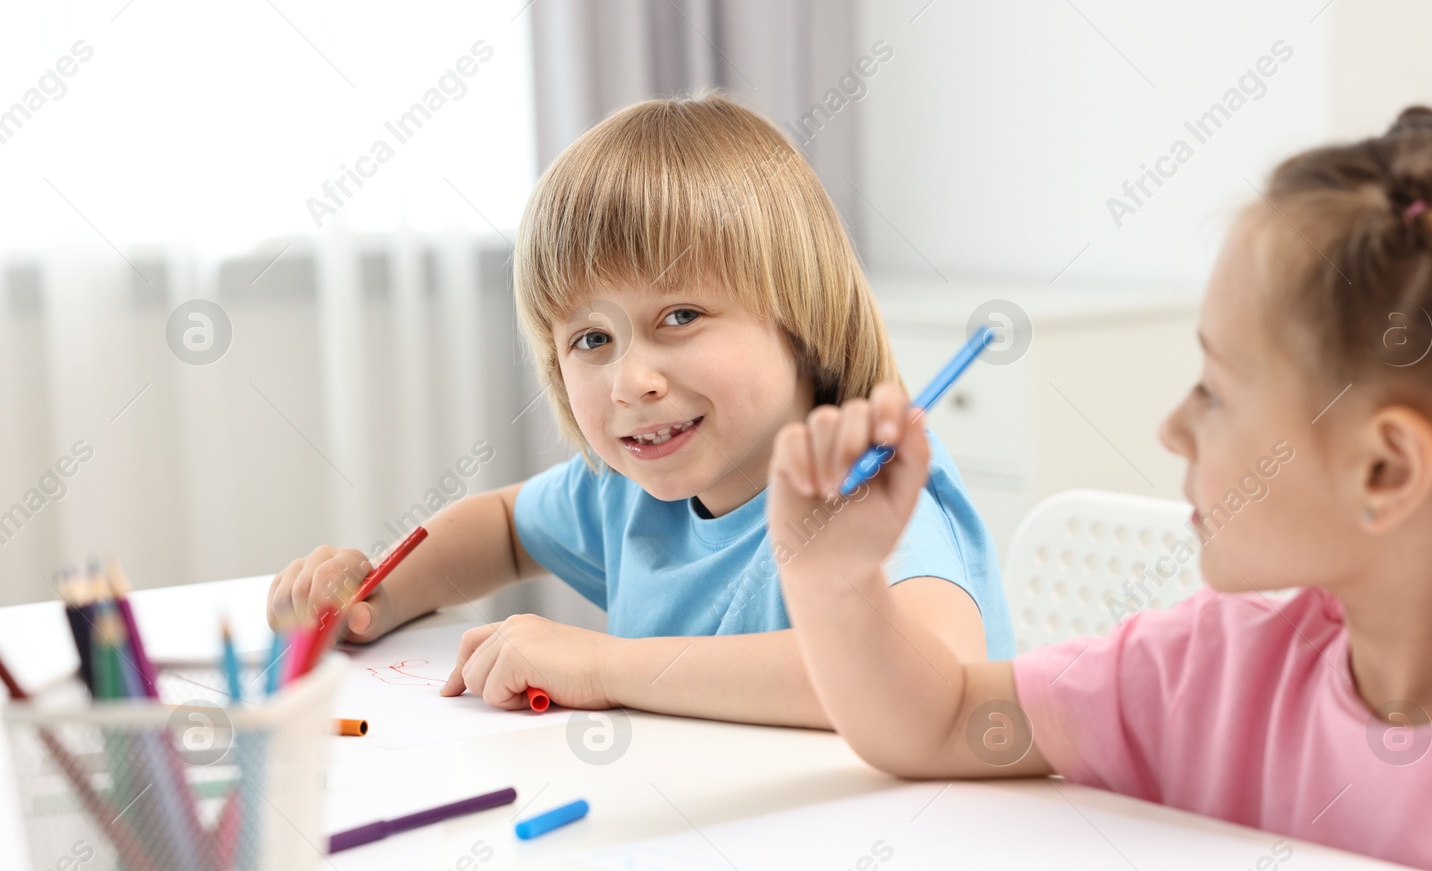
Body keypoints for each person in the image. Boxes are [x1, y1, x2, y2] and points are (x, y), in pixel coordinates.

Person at [771, 106, 1432, 871]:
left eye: (1214, 389)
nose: (1171, 428)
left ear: (1384, 468)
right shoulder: (1209, 677)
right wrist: (832, 578)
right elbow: (940, 719)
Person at [267, 93, 1012, 727]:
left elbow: (934, 672)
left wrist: (609, 667)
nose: (631, 380)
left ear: (801, 317)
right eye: (592, 338)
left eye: (681, 316)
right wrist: (375, 598)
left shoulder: (874, 492)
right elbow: (499, 528)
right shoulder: (625, 491)